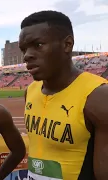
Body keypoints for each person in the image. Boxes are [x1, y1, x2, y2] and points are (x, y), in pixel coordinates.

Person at [20, 10, 108, 180]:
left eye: (37, 45)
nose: (27, 56)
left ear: (67, 44)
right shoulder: (30, 91)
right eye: (24, 49)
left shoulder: (98, 97)